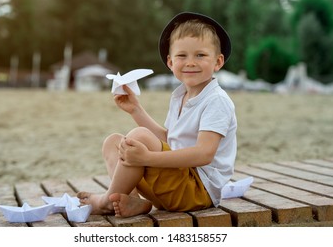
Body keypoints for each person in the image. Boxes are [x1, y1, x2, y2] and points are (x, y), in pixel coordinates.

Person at [77, 12, 237, 217]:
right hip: (175, 181)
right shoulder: (180, 97)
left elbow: (204, 154)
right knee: (114, 142)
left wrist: (148, 157)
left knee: (139, 137)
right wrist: (135, 109)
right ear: (170, 62)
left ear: (218, 61)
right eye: (182, 56)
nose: (190, 62)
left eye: (200, 55)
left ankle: (107, 201)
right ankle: (132, 198)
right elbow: (169, 139)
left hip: (198, 190)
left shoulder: (216, 100)